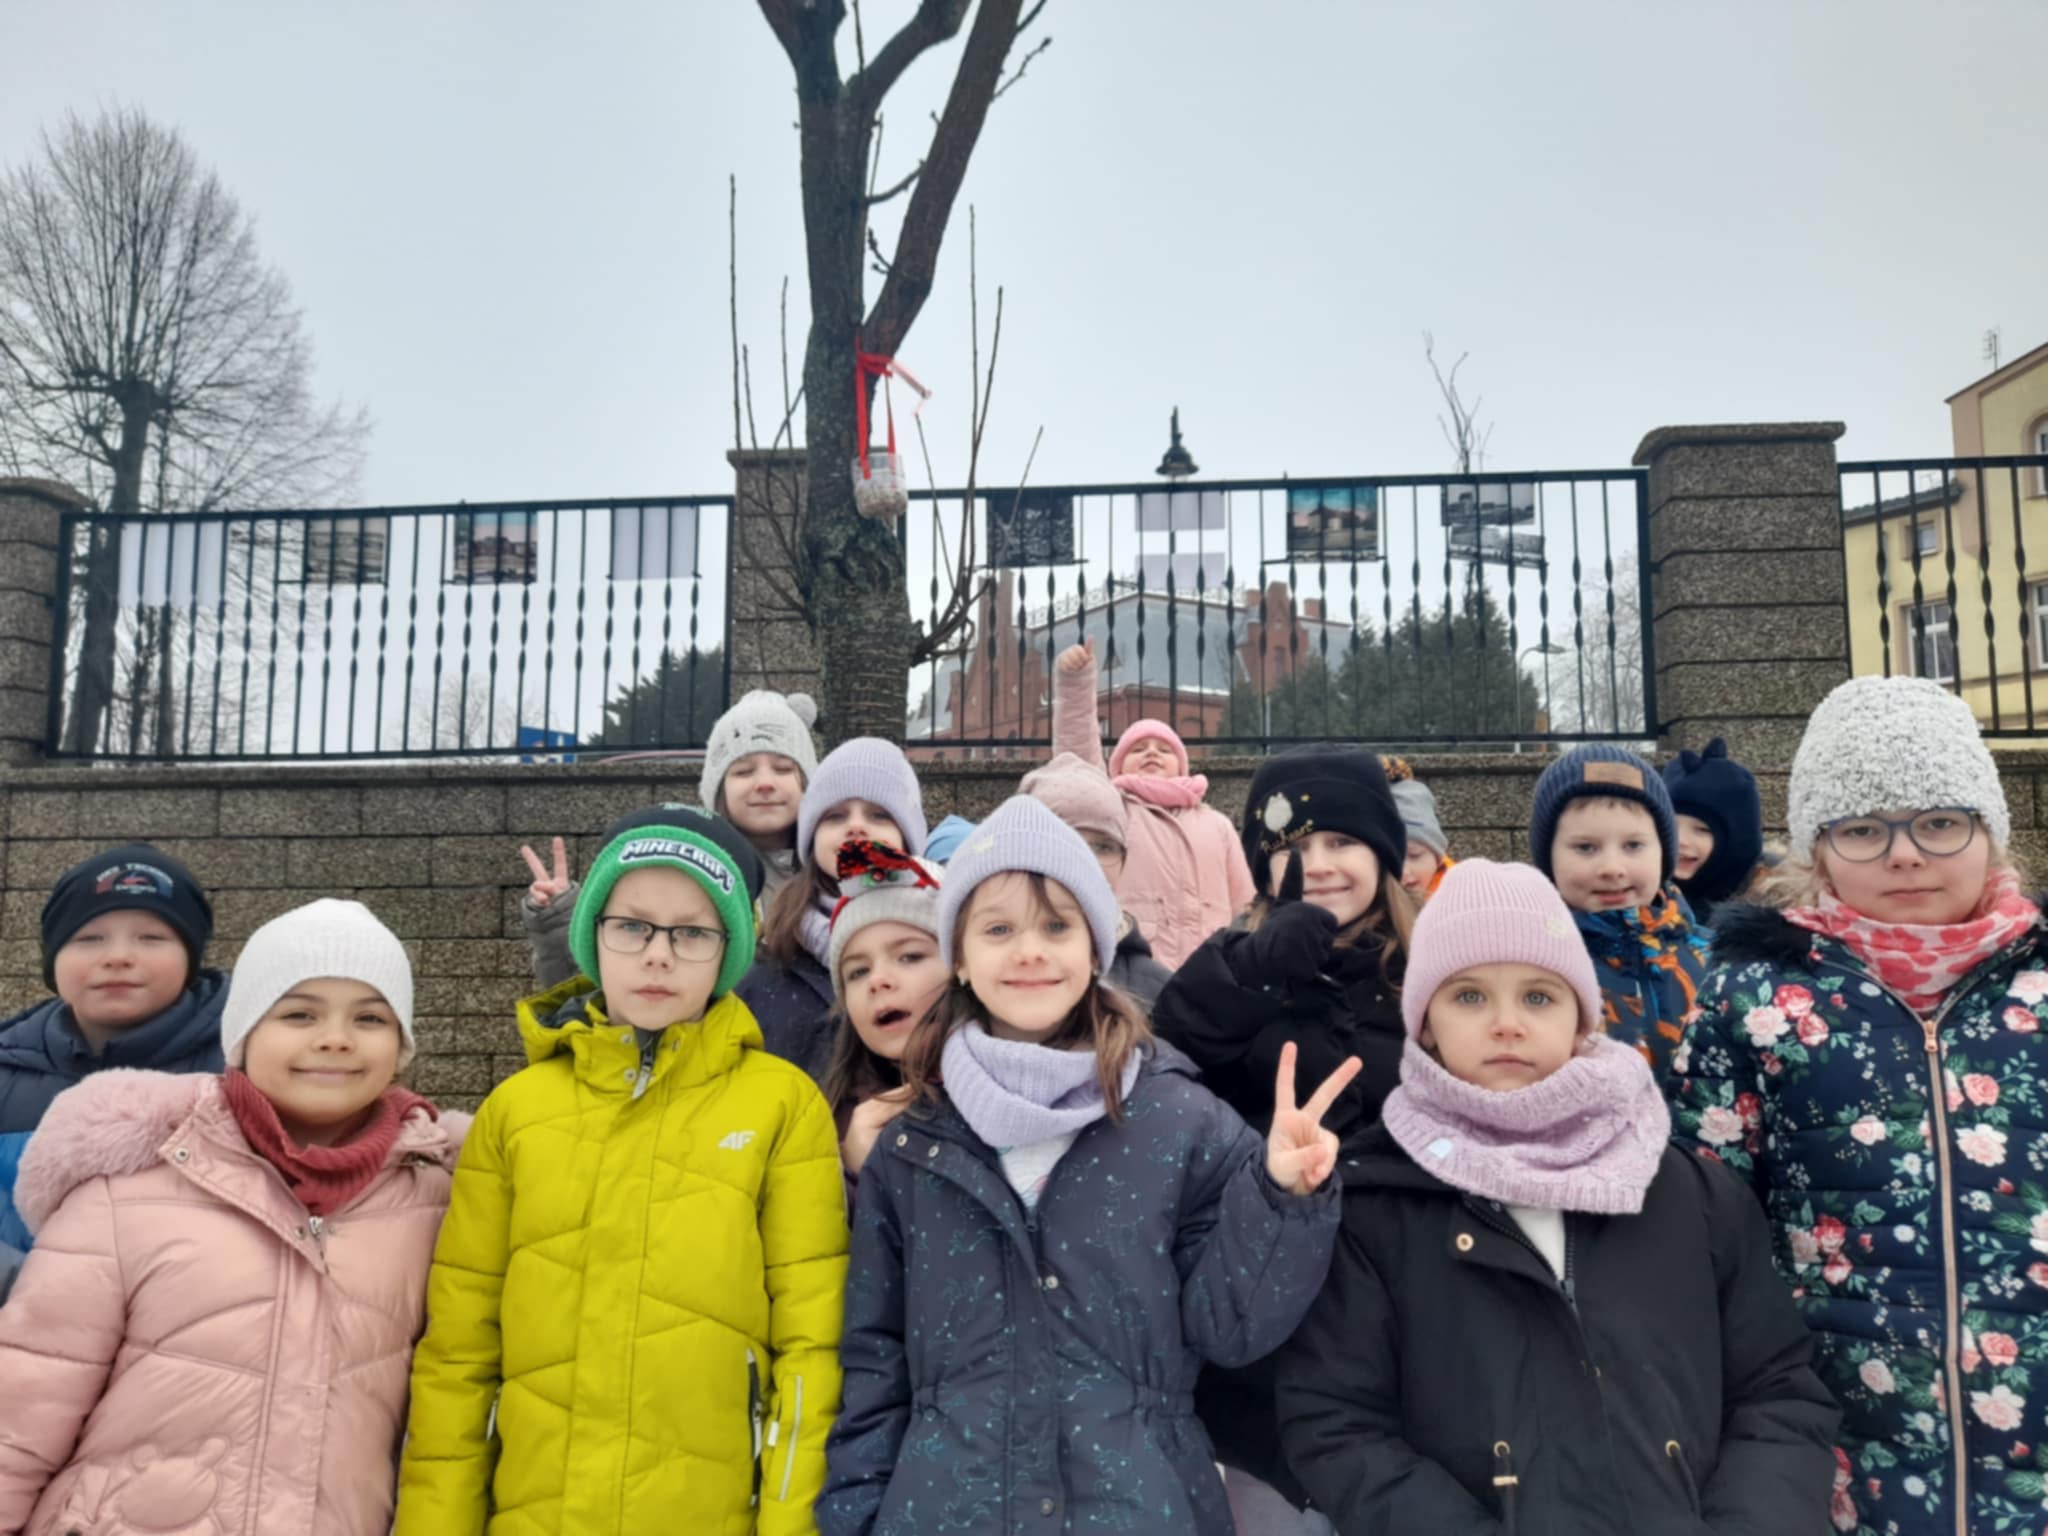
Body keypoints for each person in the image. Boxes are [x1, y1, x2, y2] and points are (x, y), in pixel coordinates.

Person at [817, 796, 1351, 1536]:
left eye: (1057, 926)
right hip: (945, 1508)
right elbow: (875, 1362)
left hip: (1138, 1505)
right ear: (958, 959)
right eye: (998, 929)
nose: (1029, 951)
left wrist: (1283, 1199)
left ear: (1096, 949)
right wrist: (853, 1516)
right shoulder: (910, 1147)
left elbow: (1231, 1329)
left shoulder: (1181, 1119)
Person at [1275, 861, 1838, 1533]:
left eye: (1539, 997)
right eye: (1469, 996)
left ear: (1580, 1018)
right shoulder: (1373, 1206)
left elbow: (1777, 1391)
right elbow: (1339, 1424)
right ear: (1424, 1024)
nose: (1507, 1024)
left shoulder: (1691, 1193)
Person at [395, 806, 848, 1535]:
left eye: (692, 933)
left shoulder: (782, 1106)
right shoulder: (515, 1112)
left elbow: (812, 1350)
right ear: (592, 935)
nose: (658, 955)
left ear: (730, 950)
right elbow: (459, 1355)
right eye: (632, 926)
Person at [1668, 676, 2048, 1536]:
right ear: (1818, 847)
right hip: (1833, 1456)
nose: (1905, 855)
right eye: (1864, 829)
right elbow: (1702, 1235)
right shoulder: (1750, 999)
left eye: (1940, 822)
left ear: (1989, 829)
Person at [0, 898, 464, 1536]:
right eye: (299, 1014)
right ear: (244, 1034)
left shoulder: (442, 1200)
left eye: (370, 1017)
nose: (335, 1037)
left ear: (401, 1044)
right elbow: (24, 1408)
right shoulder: (126, 1191)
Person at [1151, 744, 1414, 1530]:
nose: (1319, 864)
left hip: (1399, 1296)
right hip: (1264, 1302)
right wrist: (1257, 972)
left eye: (1342, 841)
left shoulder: (1425, 970)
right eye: (1293, 847)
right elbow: (1167, 1054)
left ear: (1383, 852)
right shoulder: (1231, 963)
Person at [0, 843, 224, 1274]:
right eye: (89, 939)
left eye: (151, 938)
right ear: (53, 958)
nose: (118, 956)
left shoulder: (247, 1066)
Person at [516, 689, 819, 985]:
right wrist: (559, 927)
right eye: (743, 771)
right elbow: (603, 989)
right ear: (717, 789)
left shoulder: (832, 869)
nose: (765, 782)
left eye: (783, 769)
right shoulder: (673, 868)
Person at [1051, 637, 1254, 967]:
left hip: (1211, 973)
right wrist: (1075, 683)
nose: (1151, 753)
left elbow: (1244, 904)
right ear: (1118, 764)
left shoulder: (1216, 824)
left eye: (1164, 749)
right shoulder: (1113, 811)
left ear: (1181, 765)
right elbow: (1077, 760)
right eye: (1138, 748)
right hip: (1133, 970)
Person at [740, 739, 929, 1080]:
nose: (855, 826)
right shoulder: (768, 966)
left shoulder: (948, 942)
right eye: (835, 816)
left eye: (879, 814)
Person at [1529, 743, 1711, 1083]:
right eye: (1586, 847)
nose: (1612, 868)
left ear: (1663, 852)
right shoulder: (1530, 961)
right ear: (1549, 857)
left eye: (1633, 846)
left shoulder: (1716, 960)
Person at [822, 837, 947, 1191]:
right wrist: (857, 1177)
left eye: (910, 956)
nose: (877, 981)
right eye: (857, 972)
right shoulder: (828, 1122)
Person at [1019, 750, 1174, 1011]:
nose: (1086, 861)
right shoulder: (987, 976)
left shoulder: (1161, 993)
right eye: (1066, 841)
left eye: (1103, 847)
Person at [1661, 736, 1765, 926]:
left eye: (1702, 830)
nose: (1681, 840)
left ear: (1736, 842)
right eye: (1670, 826)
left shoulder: (1766, 915)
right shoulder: (1636, 903)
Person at [1391, 778, 1453, 901]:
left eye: (1414, 855)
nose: (1403, 871)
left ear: (1438, 858)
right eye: (1391, 860)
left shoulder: (1464, 895)